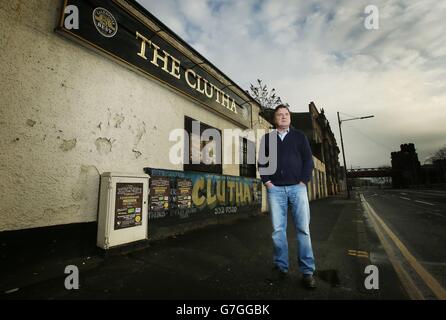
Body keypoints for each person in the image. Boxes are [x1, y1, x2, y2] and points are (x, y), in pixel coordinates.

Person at [258, 104, 316, 289]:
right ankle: (281, 268)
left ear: (290, 117)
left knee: (303, 230)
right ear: (274, 119)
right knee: (278, 231)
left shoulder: (299, 137)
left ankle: (307, 272)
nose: (283, 117)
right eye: (279, 115)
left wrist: (303, 181)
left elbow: (308, 160)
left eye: (286, 114)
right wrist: (267, 182)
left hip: (297, 188)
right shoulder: (268, 139)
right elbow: (262, 162)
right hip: (275, 190)